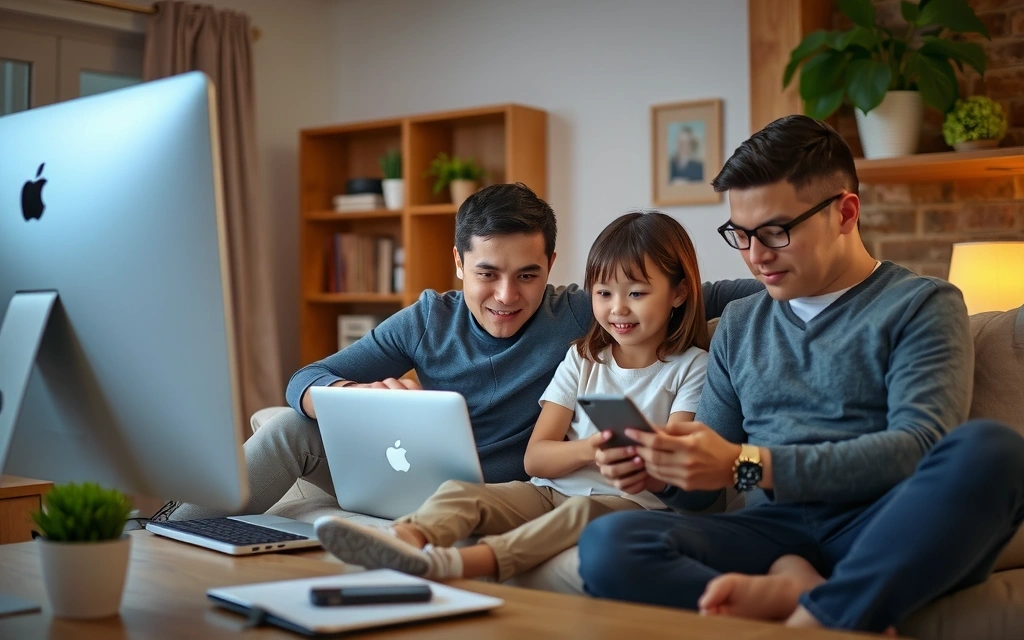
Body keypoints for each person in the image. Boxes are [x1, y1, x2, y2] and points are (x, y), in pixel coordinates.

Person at [576, 115, 1024, 633]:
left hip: (883, 525)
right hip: (773, 531)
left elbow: (917, 448)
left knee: (994, 451)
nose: (755, 256)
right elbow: (711, 484)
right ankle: (815, 600)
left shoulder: (921, 304)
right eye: (739, 235)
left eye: (775, 232)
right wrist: (663, 472)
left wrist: (748, 463)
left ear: (845, 213)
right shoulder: (741, 323)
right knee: (609, 544)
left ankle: (816, 616)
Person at [158, 183, 762, 522]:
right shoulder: (427, 319)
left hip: (496, 495)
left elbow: (712, 290)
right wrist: (346, 397)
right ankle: (171, 532)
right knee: (290, 424)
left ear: (551, 265)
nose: (506, 296)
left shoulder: (585, 311)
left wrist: (830, 283)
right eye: (487, 274)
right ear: (458, 264)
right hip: (400, 476)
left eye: (527, 275)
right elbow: (304, 378)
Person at [313, 210, 711, 582]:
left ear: (678, 293)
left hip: (632, 504)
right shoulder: (583, 358)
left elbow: (673, 465)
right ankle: (405, 540)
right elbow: (535, 457)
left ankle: (452, 562)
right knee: (461, 493)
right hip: (546, 491)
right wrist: (593, 448)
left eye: (637, 294)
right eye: (604, 293)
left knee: (580, 513)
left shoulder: (693, 368)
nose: (617, 309)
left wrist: (631, 454)